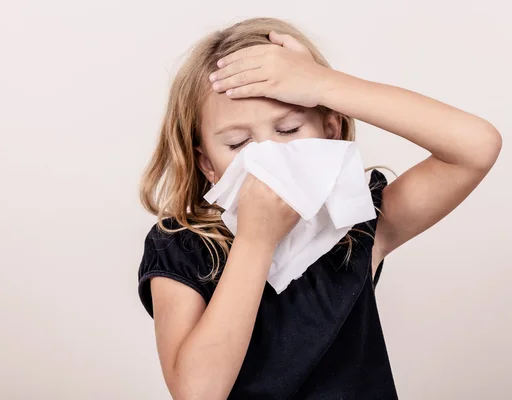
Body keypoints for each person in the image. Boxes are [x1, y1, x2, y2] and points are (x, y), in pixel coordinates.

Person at [136, 17, 502, 399]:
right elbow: (198, 393)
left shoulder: (356, 225)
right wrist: (255, 241)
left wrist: (323, 84)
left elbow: (475, 147)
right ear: (208, 164)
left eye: (289, 131)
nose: (269, 158)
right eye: (238, 142)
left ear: (331, 130)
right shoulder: (180, 246)